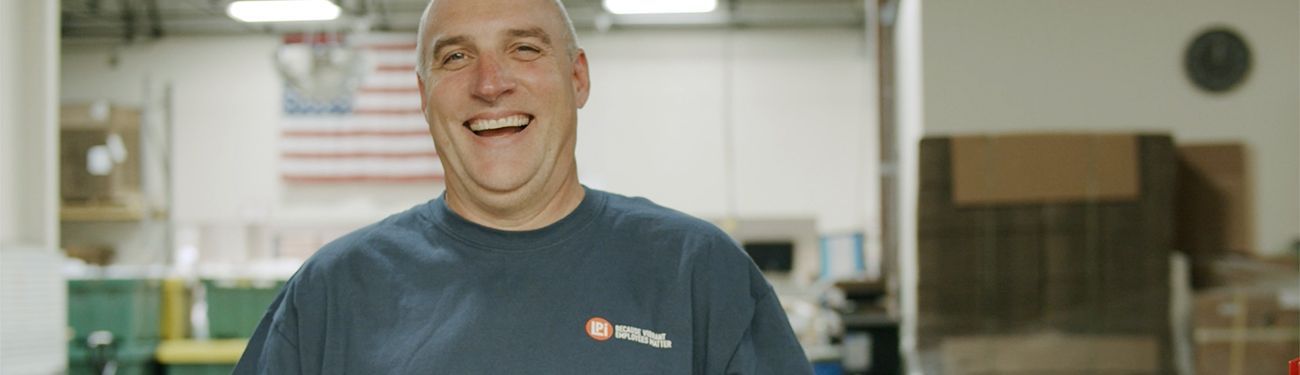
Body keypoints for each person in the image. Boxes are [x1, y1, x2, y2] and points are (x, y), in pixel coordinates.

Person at [234, 0, 811, 373]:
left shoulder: (698, 272)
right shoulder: (332, 292)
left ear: (577, 77)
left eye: (525, 48)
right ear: (422, 94)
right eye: (456, 57)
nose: (490, 84)